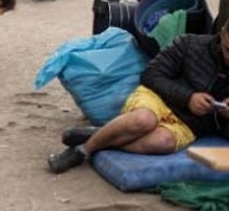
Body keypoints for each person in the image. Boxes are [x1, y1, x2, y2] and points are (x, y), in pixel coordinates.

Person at [48, 19, 229, 174]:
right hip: (158, 98)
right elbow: (151, 74)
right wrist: (188, 97)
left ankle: (98, 136)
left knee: (162, 142)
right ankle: (82, 151)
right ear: (222, 35)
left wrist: (224, 116)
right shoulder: (190, 44)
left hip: (191, 124)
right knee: (143, 120)